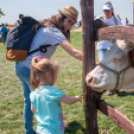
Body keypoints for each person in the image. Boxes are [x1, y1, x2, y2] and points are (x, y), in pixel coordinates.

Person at [15, 5, 83, 134]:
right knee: (42, 102)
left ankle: (29, 131)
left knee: (30, 100)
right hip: (29, 68)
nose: (70, 25)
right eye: (69, 21)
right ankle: (49, 129)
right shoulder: (54, 31)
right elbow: (74, 52)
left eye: (73, 23)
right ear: (61, 17)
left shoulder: (47, 25)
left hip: (19, 65)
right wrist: (95, 62)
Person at [30, 57, 82, 134]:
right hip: (53, 131)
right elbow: (69, 101)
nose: (56, 77)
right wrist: (77, 98)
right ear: (48, 75)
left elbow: (32, 109)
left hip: (40, 130)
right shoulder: (53, 92)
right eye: (55, 75)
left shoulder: (33, 93)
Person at [96, 1, 122, 96]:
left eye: (107, 10)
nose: (106, 12)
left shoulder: (116, 21)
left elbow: (122, 31)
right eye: (104, 10)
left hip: (113, 48)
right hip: (102, 47)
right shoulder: (99, 19)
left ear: (112, 10)